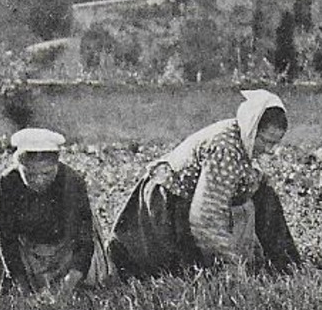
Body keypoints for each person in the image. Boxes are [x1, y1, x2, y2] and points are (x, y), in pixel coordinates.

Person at [109, 89, 301, 279]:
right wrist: (231, 263)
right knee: (177, 274)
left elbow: (255, 190)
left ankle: (288, 266)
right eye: (265, 141)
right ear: (252, 129)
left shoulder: (243, 140)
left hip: (189, 198)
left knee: (265, 195)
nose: (268, 150)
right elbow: (205, 217)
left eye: (274, 144)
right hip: (168, 204)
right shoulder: (225, 149)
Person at [0, 128, 115, 310]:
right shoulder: (8, 182)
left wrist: (66, 289)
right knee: (7, 301)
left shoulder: (72, 182)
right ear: (19, 168)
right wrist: (23, 287)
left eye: (46, 173)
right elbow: (5, 238)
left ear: (56, 165)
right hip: (26, 247)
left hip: (65, 245)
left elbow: (84, 242)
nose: (38, 180)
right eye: (30, 174)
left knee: (86, 301)